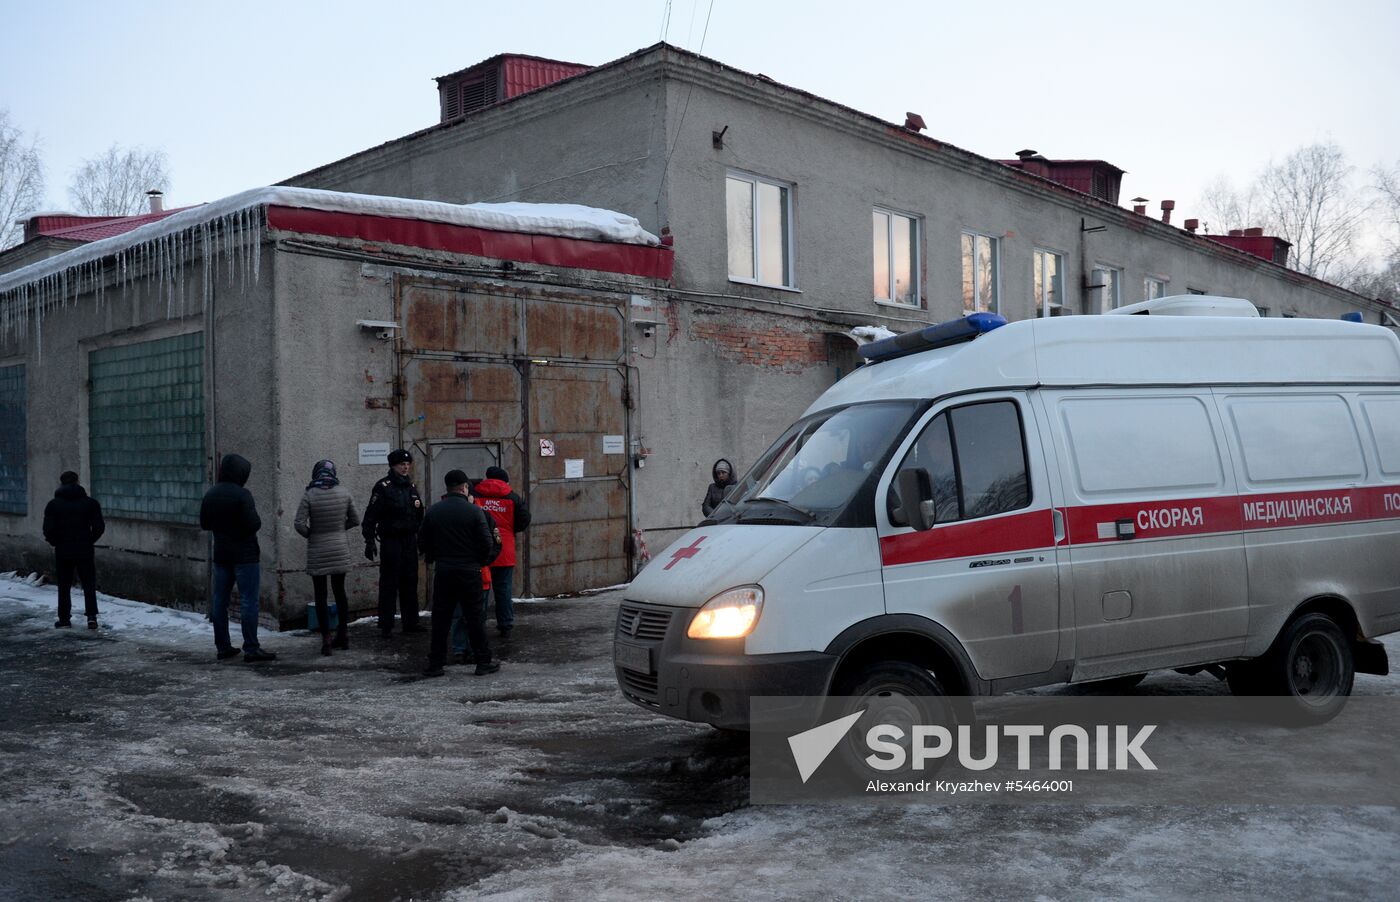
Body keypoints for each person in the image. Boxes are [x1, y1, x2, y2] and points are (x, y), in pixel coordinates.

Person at [419, 469, 500, 678]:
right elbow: (486, 542)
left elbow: (422, 541)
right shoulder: (474, 512)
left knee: (441, 619)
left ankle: (435, 663)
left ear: (447, 488)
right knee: (474, 617)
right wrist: (480, 561)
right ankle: (483, 661)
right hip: (469, 572)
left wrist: (435, 558)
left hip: (444, 571)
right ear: (465, 487)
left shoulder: (434, 511)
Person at [200, 454, 276, 663]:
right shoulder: (243, 495)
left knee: (220, 601)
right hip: (245, 556)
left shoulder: (210, 494)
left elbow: (205, 524)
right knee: (248, 602)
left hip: (222, 555)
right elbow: (254, 524)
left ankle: (222, 646)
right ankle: (251, 648)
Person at [294, 459, 359, 656]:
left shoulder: (310, 494)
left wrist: (312, 534)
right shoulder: (344, 492)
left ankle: (326, 639)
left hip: (318, 550)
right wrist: (339, 530)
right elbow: (355, 519)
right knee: (340, 592)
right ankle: (343, 634)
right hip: (339, 548)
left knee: (320, 595)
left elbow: (299, 523)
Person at [362, 448, 425, 638]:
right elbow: (371, 516)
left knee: (410, 581)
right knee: (390, 583)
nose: (405, 467)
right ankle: (386, 624)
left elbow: (419, 514)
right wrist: (369, 540)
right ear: (393, 466)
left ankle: (410, 622)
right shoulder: (383, 487)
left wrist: (421, 539)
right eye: (401, 465)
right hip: (391, 540)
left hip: (409, 540)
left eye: (407, 464)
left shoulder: (411, 486)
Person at [470, 466, 531, 638]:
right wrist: (509, 530)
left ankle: (478, 623)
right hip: (504, 549)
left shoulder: (475, 495)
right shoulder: (513, 497)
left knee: (481, 590)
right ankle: (505, 624)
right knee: (503, 590)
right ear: (504, 480)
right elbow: (524, 519)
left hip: (481, 550)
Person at [42, 471, 105, 629]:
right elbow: (99, 527)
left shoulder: (53, 505)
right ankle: (91, 617)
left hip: (63, 549)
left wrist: (55, 541)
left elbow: (48, 529)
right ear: (77, 482)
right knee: (88, 583)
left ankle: (64, 618)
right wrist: (89, 540)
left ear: (61, 483)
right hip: (84, 548)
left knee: (64, 585)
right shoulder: (90, 503)